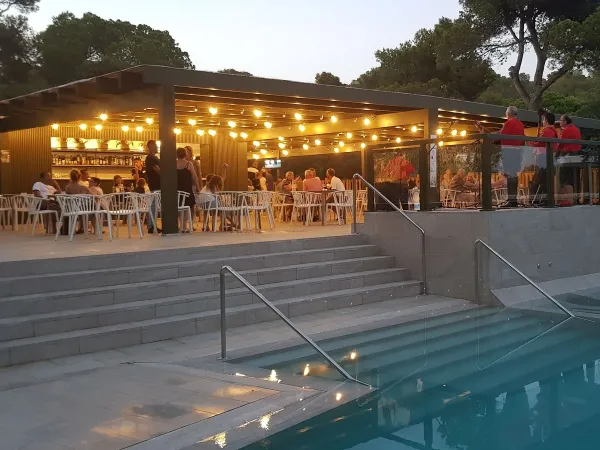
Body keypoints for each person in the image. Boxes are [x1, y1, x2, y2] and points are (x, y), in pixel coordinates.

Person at [176, 147, 199, 233]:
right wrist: (197, 187)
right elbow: (195, 177)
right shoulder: (188, 164)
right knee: (188, 207)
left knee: (179, 207)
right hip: (187, 189)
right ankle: (185, 226)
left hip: (177, 189)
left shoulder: (174, 164)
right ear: (185, 154)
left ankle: (180, 225)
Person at [145, 140, 161, 233]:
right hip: (155, 184)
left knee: (155, 205)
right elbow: (157, 170)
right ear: (150, 146)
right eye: (155, 145)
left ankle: (152, 225)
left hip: (157, 184)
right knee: (154, 205)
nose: (157, 147)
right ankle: (151, 225)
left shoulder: (155, 158)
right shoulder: (150, 158)